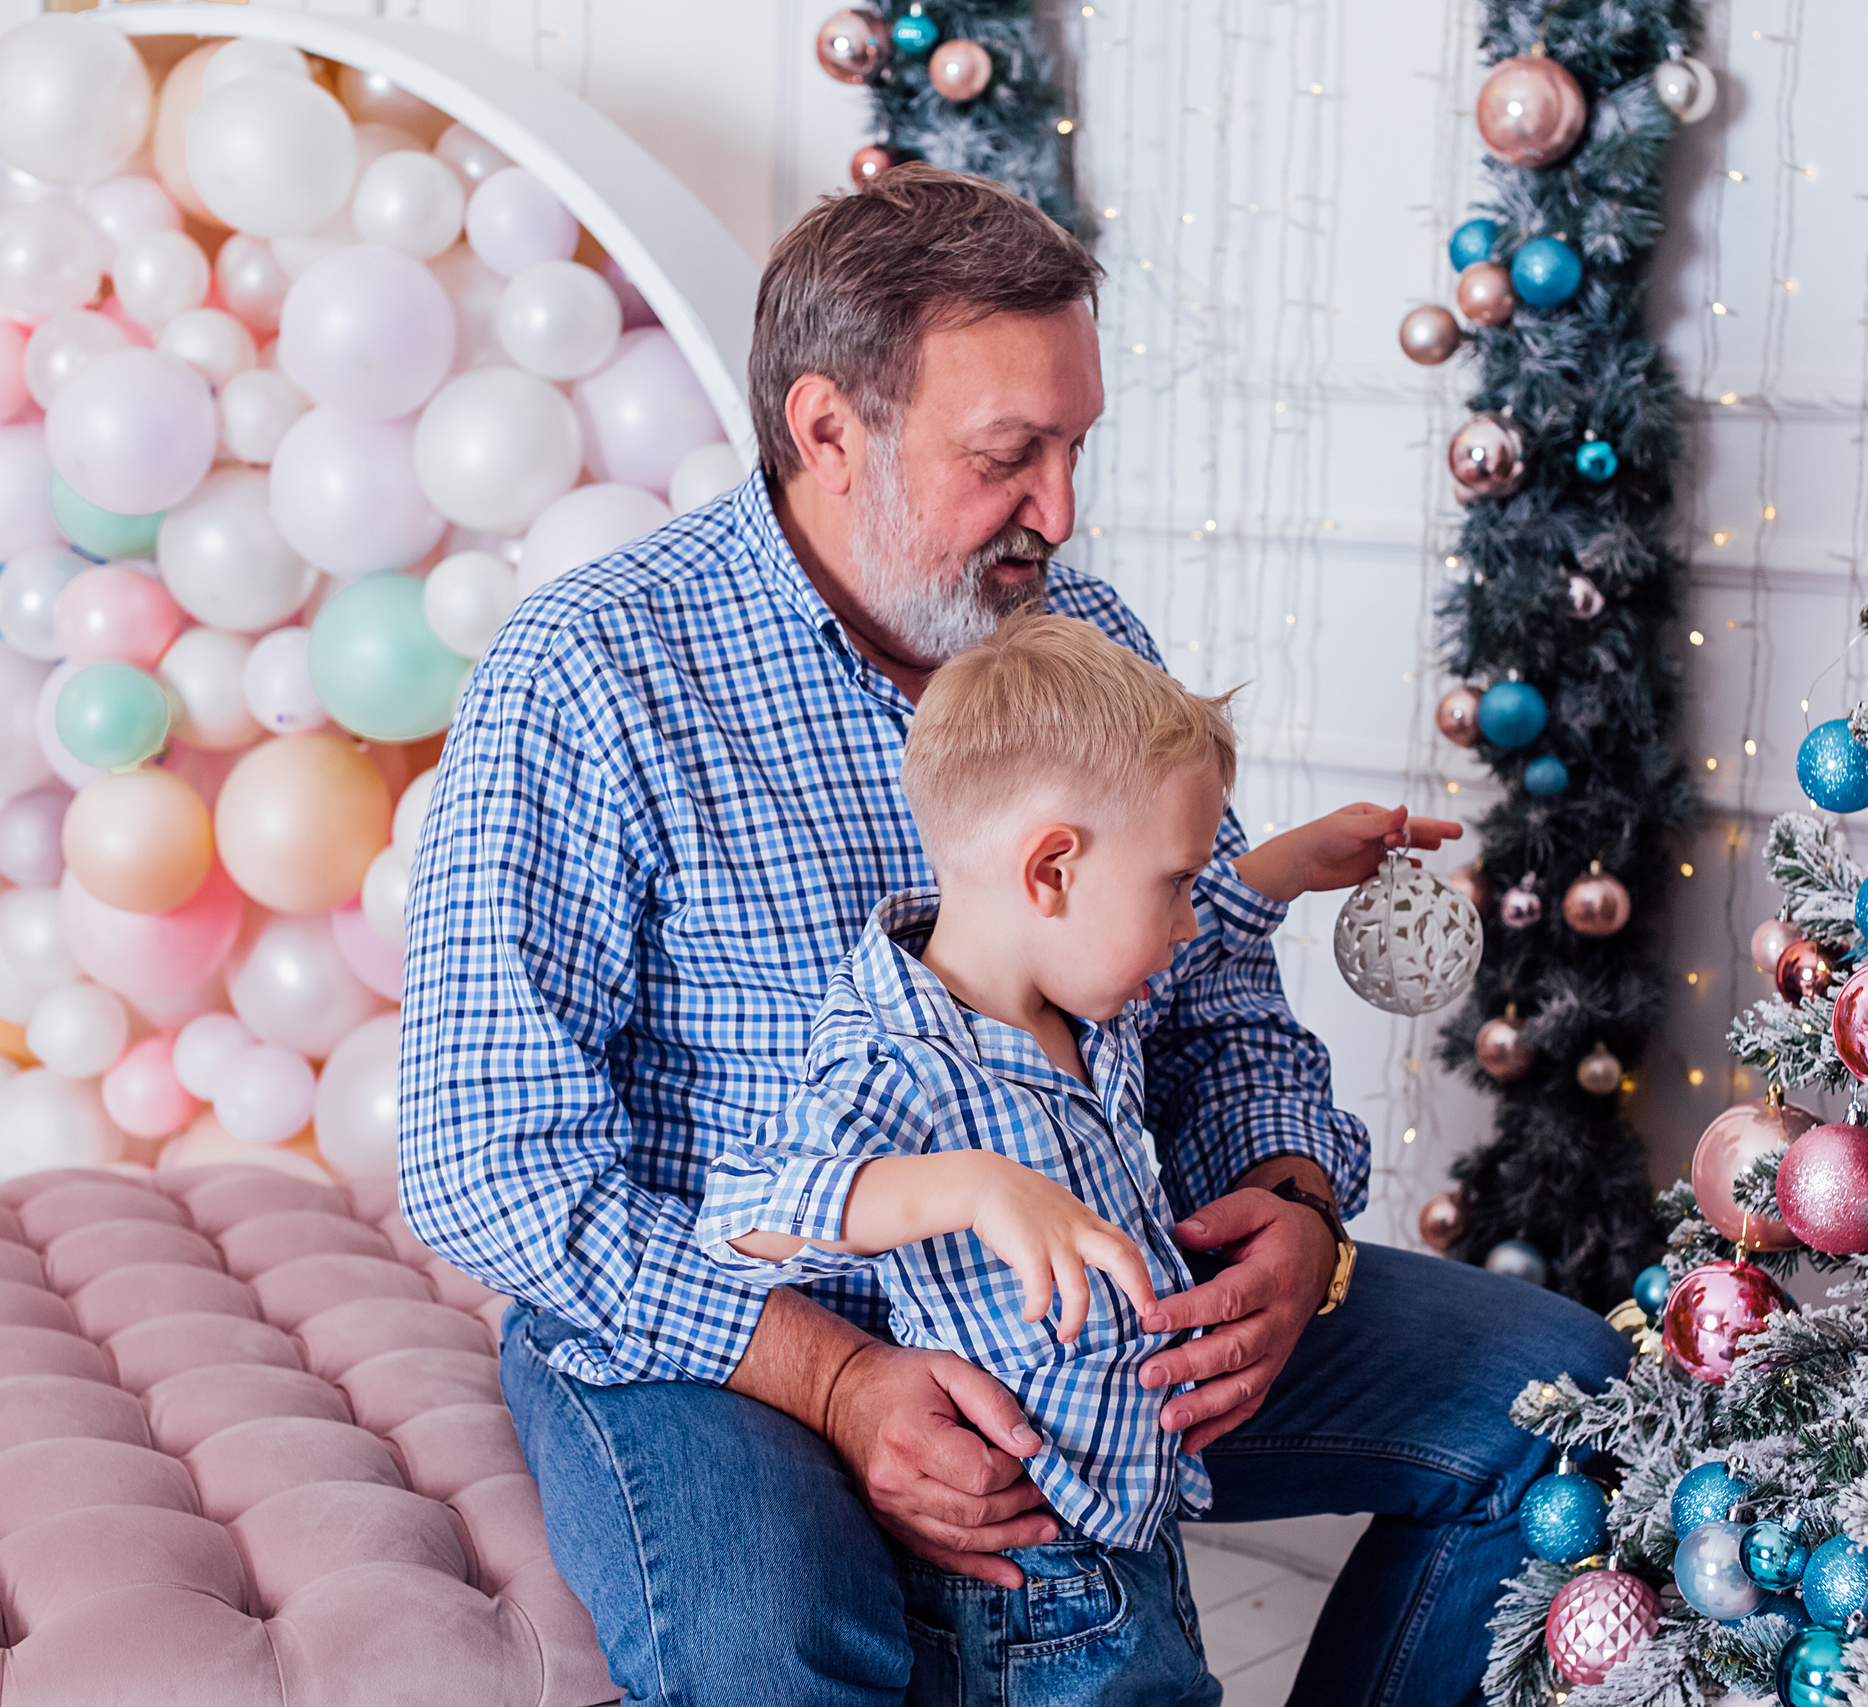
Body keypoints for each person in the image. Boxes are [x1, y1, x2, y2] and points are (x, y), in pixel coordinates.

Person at [399, 163, 1634, 1707]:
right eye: (1008, 455)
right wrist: (837, 1378)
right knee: (778, 1648)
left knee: (1563, 1407)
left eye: (1073, 446)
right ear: (827, 430)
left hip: (1079, 1293)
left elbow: (1216, 999)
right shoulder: (589, 676)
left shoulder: (1089, 642)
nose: (1060, 510)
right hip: (734, 1326)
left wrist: (1290, 1203)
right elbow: (483, 1159)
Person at [693, 614, 1423, 1703]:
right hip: (1031, 1590)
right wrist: (970, 1186)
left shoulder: (1078, 993)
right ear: (1051, 871)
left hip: (1136, 1532)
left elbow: (1199, 941)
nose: (1183, 924)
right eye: (1173, 882)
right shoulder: (897, 1052)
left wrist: (1283, 867)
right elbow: (743, 1213)